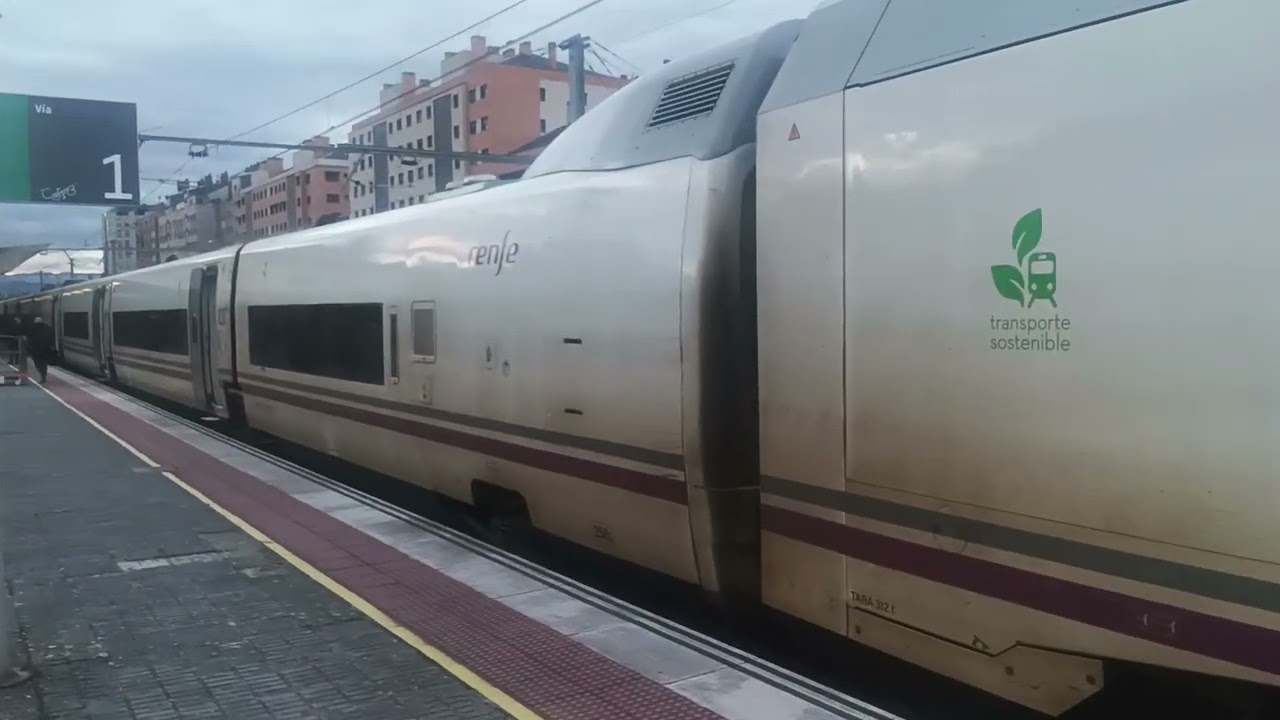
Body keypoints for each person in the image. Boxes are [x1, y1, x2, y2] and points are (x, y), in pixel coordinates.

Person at [25, 317, 54, 384]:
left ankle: (42, 375)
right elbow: (51, 337)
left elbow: (29, 339)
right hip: (45, 349)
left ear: (35, 322)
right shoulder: (48, 328)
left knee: (38, 363)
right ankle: (44, 376)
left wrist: (29, 349)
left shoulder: (32, 328)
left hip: (36, 350)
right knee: (44, 363)